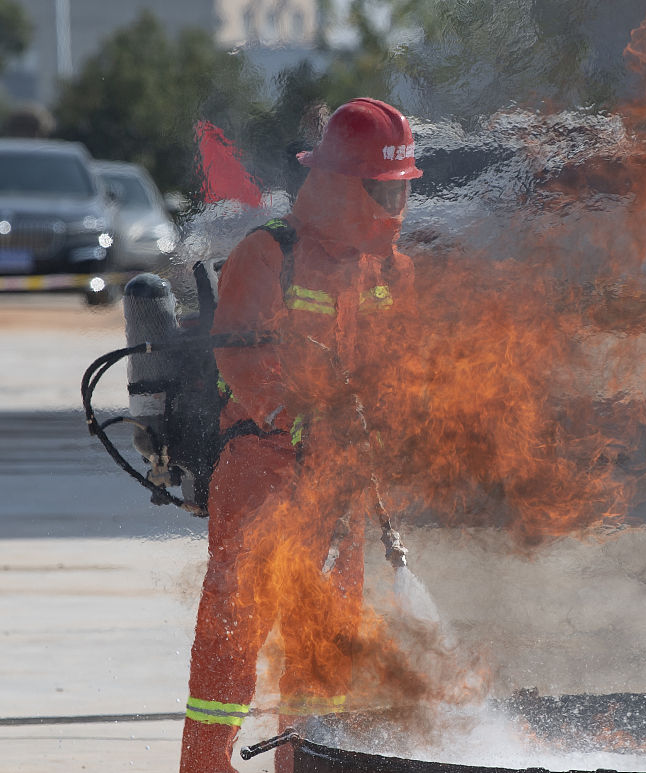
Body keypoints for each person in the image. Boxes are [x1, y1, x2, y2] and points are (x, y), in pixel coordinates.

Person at [179, 98, 422, 773]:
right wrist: (307, 414)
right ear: (344, 185)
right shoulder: (269, 254)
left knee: (326, 646)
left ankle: (305, 764)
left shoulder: (392, 271)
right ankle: (206, 765)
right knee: (233, 636)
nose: (395, 206)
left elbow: (400, 370)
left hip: (339, 485)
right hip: (263, 473)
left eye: (401, 190)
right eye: (384, 190)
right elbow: (243, 357)